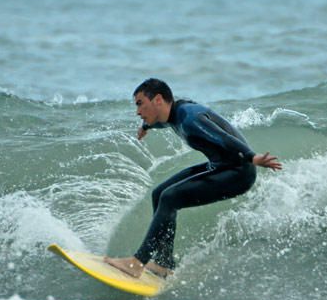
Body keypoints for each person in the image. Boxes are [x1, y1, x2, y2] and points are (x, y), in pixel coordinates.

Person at [105, 78, 282, 279]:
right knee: (159, 194)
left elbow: (225, 139)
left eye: (140, 104)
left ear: (158, 100)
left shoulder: (190, 119)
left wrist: (253, 157)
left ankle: (137, 262)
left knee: (170, 198)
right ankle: (163, 264)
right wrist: (146, 127)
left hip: (238, 172)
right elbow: (161, 123)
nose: (138, 112)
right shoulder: (173, 113)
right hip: (221, 166)